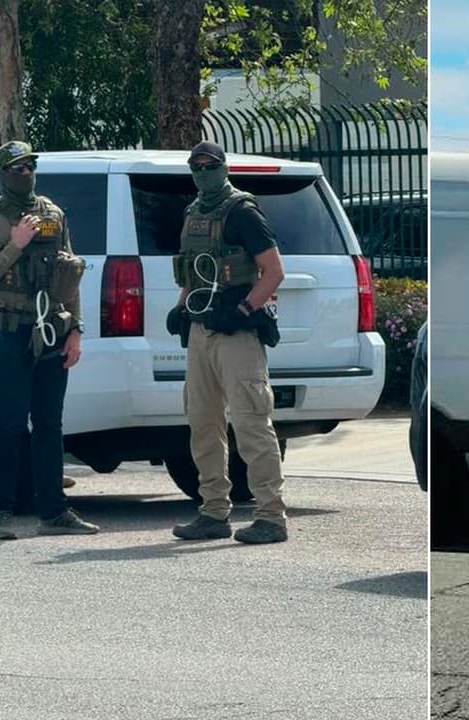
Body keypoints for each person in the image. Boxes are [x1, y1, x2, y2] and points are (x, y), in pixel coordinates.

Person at [0, 141, 99, 539]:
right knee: (8, 423)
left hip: (50, 331)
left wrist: (76, 328)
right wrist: (14, 246)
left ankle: (54, 512)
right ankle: (1, 512)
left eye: (29, 166)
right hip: (8, 330)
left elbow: (69, 273)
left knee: (49, 424)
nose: (24, 173)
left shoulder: (53, 214)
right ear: (3, 172)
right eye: (16, 167)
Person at [169, 141, 289, 544]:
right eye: (197, 165)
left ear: (224, 167)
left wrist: (243, 310)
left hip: (238, 333)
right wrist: (182, 307)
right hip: (202, 330)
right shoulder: (193, 213)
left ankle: (271, 516)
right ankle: (213, 512)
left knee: (251, 422)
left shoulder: (243, 212)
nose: (203, 172)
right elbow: (193, 270)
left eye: (210, 165)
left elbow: (273, 271)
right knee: (202, 421)